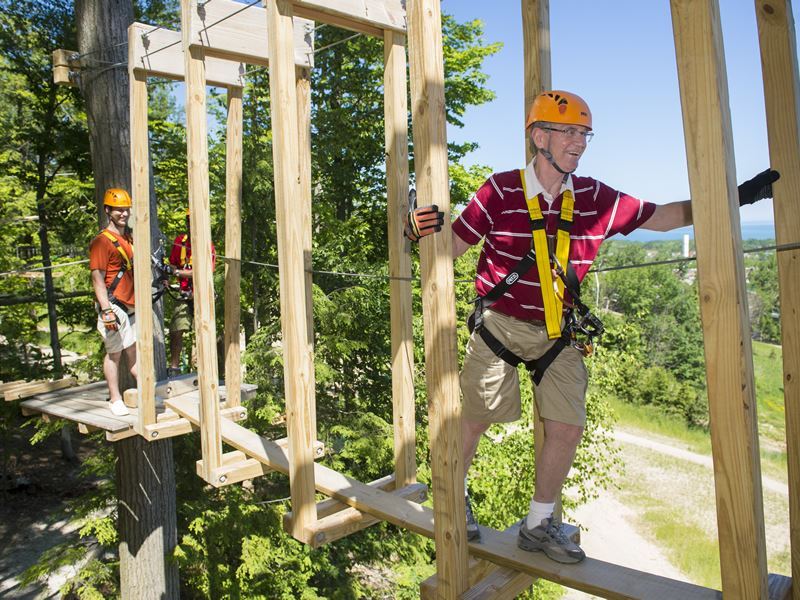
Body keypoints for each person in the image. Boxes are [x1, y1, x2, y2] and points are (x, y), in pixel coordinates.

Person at [405, 90, 779, 564]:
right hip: (500, 325)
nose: (579, 142)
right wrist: (416, 230)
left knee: (566, 426)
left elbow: (661, 217)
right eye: (568, 132)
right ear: (539, 137)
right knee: (476, 419)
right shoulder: (500, 191)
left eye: (584, 133)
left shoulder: (594, 198)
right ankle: (451, 496)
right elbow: (450, 250)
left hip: (558, 332)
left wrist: (733, 198)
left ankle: (539, 523)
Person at [89, 188, 138, 417]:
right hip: (113, 304)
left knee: (135, 353)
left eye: (126, 209)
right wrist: (106, 309)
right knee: (114, 354)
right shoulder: (101, 242)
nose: (123, 213)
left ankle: (146, 393)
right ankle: (115, 398)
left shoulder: (128, 238)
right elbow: (97, 277)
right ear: (108, 210)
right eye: (118, 209)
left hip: (131, 304)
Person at [167, 206, 215, 376]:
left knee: (204, 330)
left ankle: (206, 368)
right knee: (176, 329)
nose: (191, 225)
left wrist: (178, 272)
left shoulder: (207, 245)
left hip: (201, 295)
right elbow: (172, 263)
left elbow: (203, 271)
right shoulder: (180, 241)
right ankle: (174, 366)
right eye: (189, 221)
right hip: (184, 293)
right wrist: (168, 274)